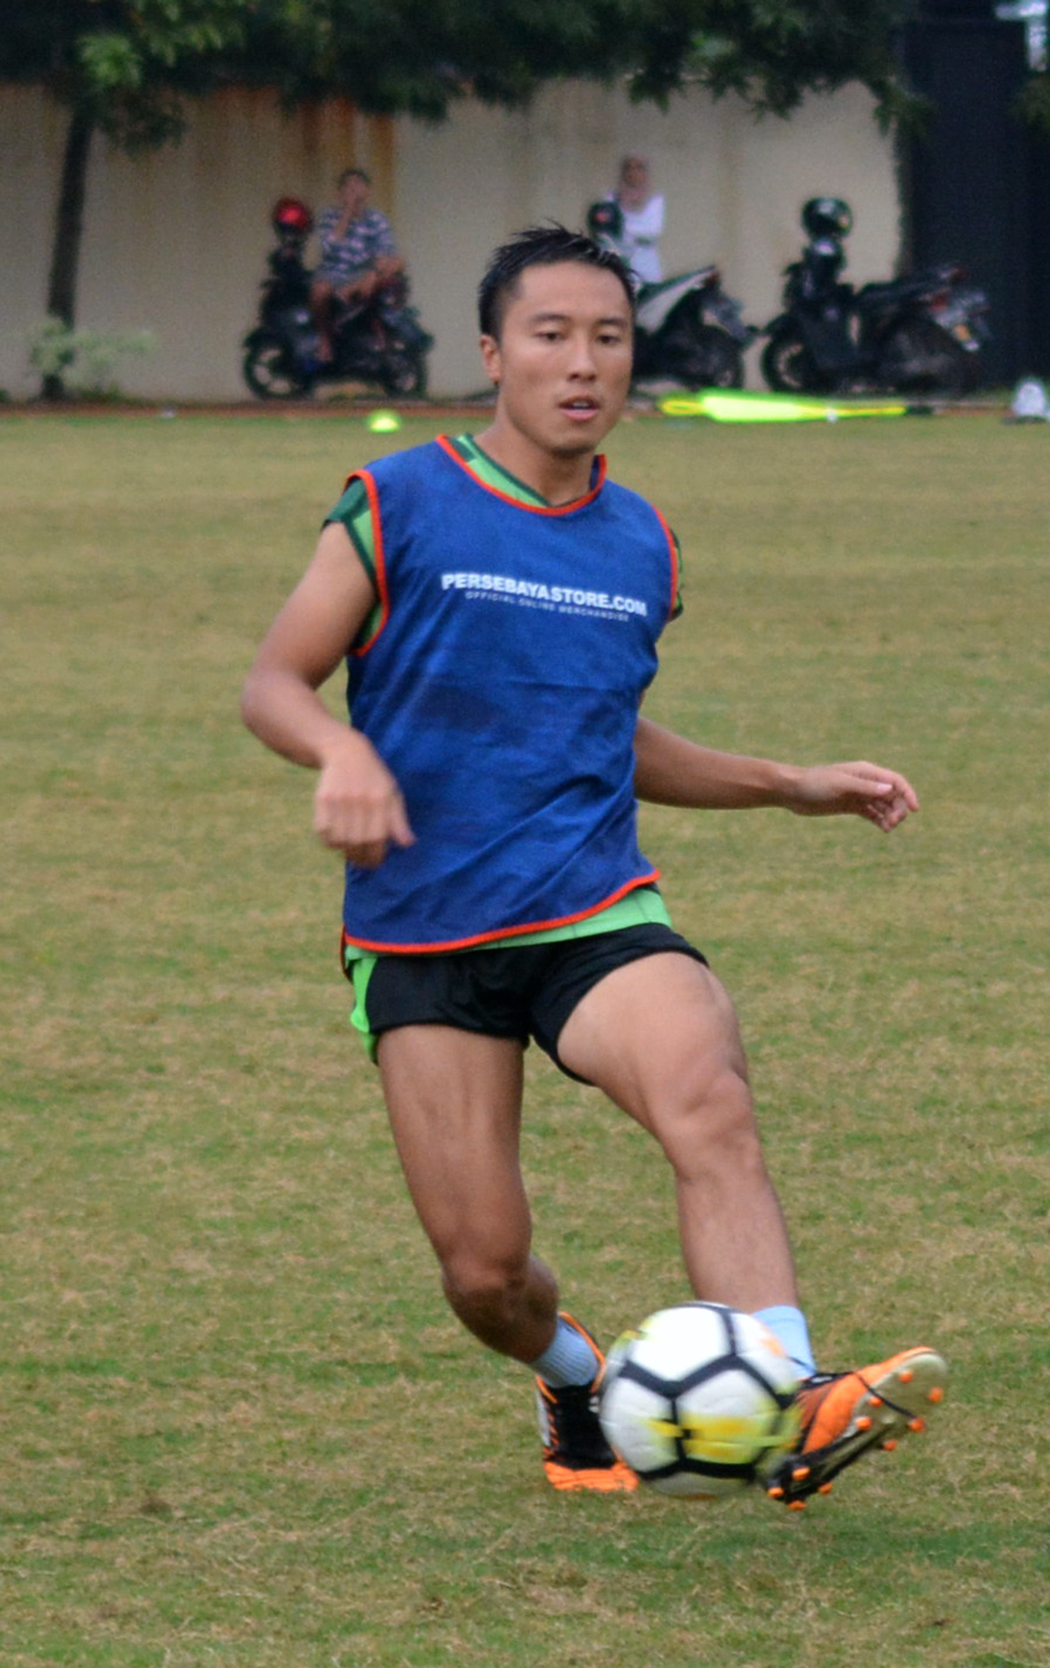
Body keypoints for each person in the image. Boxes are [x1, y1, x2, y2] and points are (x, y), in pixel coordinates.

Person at [239, 225, 946, 1505]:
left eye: (608, 339)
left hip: (591, 906)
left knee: (707, 1100)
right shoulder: (398, 501)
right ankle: (574, 1381)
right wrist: (339, 752)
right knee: (484, 1275)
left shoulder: (641, 543)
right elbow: (273, 681)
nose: (582, 363)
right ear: (492, 353)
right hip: (421, 935)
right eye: (552, 336)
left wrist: (787, 784)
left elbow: (601, 732)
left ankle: (788, 1399)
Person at [310, 169, 404, 366]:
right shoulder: (329, 217)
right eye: (348, 186)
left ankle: (353, 295)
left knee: (396, 262)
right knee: (319, 290)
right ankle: (325, 341)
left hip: (365, 273)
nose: (353, 190)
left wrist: (374, 273)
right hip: (334, 271)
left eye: (358, 185)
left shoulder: (376, 219)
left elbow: (387, 251)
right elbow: (330, 248)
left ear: (367, 190)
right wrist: (347, 212)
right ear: (340, 193)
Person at [608, 154, 664, 285]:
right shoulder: (611, 199)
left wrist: (625, 230)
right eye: (629, 168)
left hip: (646, 261)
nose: (633, 172)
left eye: (638, 168)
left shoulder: (655, 200)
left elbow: (652, 230)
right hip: (620, 260)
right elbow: (607, 231)